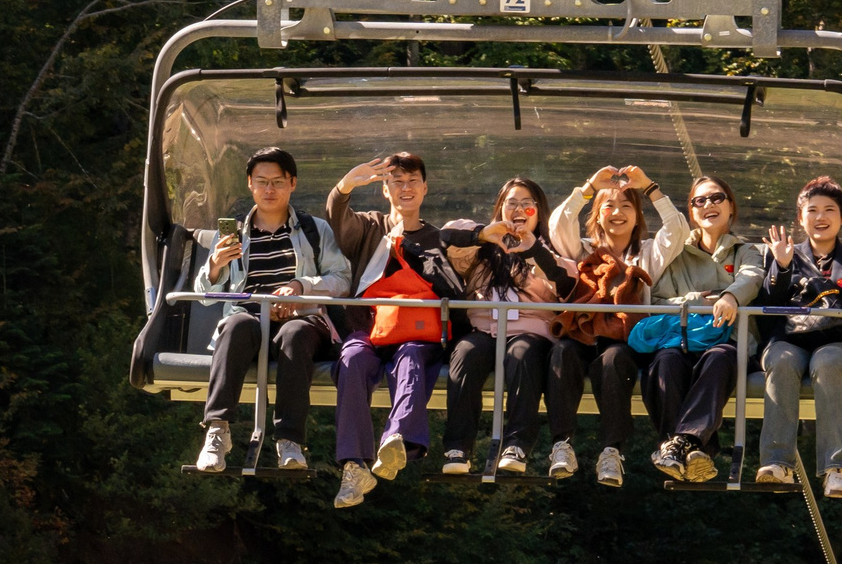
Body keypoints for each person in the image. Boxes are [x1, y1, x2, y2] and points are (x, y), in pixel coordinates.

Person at [189, 147, 350, 474]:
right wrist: (216, 266)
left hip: (300, 318)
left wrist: (301, 287)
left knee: (295, 333)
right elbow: (205, 296)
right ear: (250, 184)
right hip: (249, 320)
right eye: (261, 182)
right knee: (236, 325)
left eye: (277, 182)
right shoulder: (234, 233)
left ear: (292, 183)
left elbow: (341, 278)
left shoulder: (313, 230)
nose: (269, 190)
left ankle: (289, 440)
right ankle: (218, 432)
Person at [324, 152, 467, 507]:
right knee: (352, 359)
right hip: (370, 328)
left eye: (412, 181)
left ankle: (398, 436)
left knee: (411, 358)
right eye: (396, 182)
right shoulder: (371, 227)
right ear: (385, 191)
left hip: (417, 331)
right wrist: (344, 188)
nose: (405, 188)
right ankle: (354, 466)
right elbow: (338, 222)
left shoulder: (438, 238)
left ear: (424, 188)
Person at [753, 177, 842, 500]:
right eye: (812, 210)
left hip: (840, 343)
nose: (820, 217)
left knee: (827, 363)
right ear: (800, 218)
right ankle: (776, 462)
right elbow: (770, 302)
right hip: (791, 340)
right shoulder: (786, 254)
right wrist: (783, 267)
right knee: (780, 361)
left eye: (829, 210)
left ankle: (836, 469)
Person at [630, 169, 766, 484]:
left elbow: (752, 277)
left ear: (731, 206)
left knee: (718, 359)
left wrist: (731, 297)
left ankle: (675, 446)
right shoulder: (678, 254)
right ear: (691, 212)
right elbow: (658, 302)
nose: (709, 205)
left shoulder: (744, 251)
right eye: (699, 201)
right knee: (664, 363)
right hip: (682, 339)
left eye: (717, 198)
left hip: (726, 340)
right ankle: (693, 447)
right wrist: (696, 301)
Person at [440, 177, 573, 475]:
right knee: (465, 354)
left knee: (522, 357)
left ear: (538, 213)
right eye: (511, 203)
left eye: (527, 205)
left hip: (530, 330)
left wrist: (531, 251)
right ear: (499, 208)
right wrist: (484, 235)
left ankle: (517, 445)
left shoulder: (549, 249)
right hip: (485, 329)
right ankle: (458, 447)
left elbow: (565, 282)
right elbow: (445, 238)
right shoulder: (481, 250)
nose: (518, 210)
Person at [545, 166, 653, 485]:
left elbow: (675, 231)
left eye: (626, 206)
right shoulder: (584, 252)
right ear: (597, 214)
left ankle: (611, 451)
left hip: (624, 341)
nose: (617, 213)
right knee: (562, 353)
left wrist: (650, 188)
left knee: (613, 361)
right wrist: (590, 186)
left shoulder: (647, 255)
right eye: (609, 205)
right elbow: (558, 225)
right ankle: (562, 444)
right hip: (583, 337)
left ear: (637, 216)